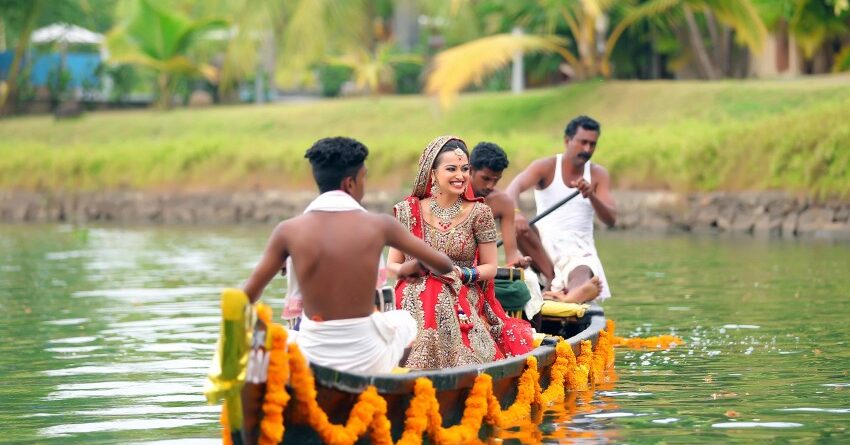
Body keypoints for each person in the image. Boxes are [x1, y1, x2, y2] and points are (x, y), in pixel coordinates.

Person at [242, 136, 453, 374]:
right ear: (350, 183)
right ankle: (389, 385)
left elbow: (245, 296)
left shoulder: (288, 231)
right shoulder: (380, 226)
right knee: (405, 321)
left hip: (312, 357)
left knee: (270, 336)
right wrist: (418, 264)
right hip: (368, 359)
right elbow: (444, 265)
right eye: (364, 179)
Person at [387, 136, 533, 369]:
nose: (461, 175)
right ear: (432, 173)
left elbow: (490, 268)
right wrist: (408, 269)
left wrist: (460, 273)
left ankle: (434, 367)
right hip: (412, 290)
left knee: (439, 289)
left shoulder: (479, 213)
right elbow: (392, 265)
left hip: (462, 289)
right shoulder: (408, 211)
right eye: (451, 169)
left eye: (465, 169)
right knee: (428, 289)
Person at [506, 116, 615, 304]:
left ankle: (571, 294)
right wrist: (516, 213)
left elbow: (611, 219)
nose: (587, 149)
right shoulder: (546, 167)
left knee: (582, 270)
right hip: (543, 246)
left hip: (578, 250)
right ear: (567, 140)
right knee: (518, 227)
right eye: (583, 143)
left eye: (592, 144)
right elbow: (512, 189)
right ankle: (555, 285)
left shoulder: (598, 174)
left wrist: (591, 195)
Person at [469, 141, 544, 325]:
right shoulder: (452, 195)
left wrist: (518, 262)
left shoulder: (502, 202)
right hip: (458, 272)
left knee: (529, 284)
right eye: (485, 178)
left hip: (486, 275)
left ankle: (535, 340)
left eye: (496, 180)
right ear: (470, 170)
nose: (490, 185)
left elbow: (511, 255)